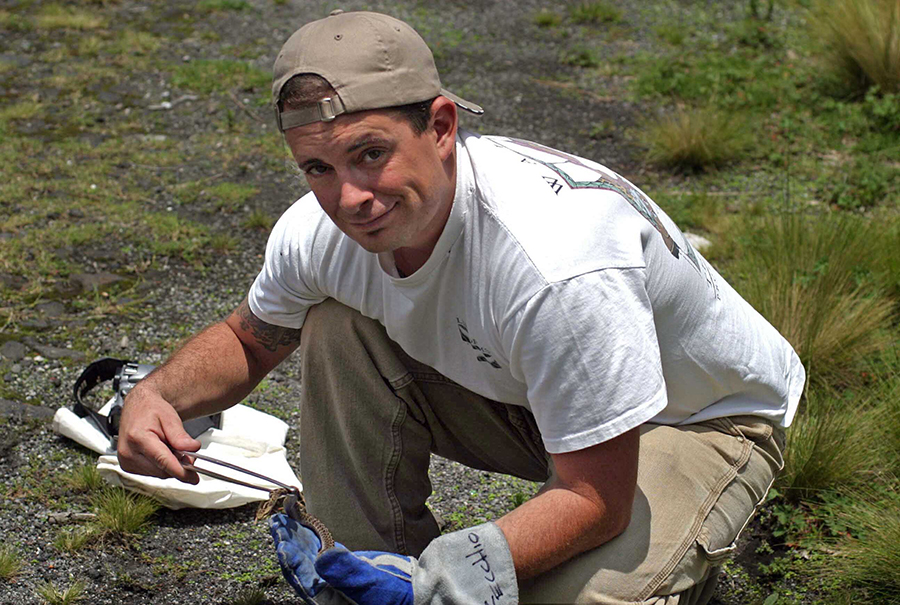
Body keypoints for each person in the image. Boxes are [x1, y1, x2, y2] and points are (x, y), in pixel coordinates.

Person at [117, 9, 805, 605]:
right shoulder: (320, 231)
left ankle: (679, 564)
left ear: (441, 126)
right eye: (318, 168)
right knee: (334, 322)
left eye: (371, 153)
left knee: (576, 595)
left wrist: (456, 569)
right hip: (545, 396)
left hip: (694, 418)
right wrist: (156, 395)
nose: (350, 196)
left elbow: (597, 497)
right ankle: (365, 566)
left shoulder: (555, 263)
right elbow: (250, 339)